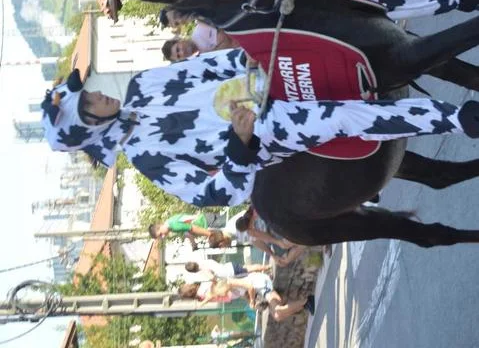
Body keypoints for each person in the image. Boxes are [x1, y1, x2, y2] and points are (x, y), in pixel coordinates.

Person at [41, 54, 479, 207]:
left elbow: (204, 66)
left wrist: (245, 55)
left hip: (260, 75)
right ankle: (456, 119)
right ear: (89, 129)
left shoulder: (142, 85)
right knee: (340, 117)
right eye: (90, 104)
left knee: (328, 14)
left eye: (90, 93)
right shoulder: (147, 159)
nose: (98, 95)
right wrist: (239, 144)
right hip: (263, 132)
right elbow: (211, 195)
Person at [184, 271, 316, 319]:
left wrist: (252, 301)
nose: (224, 296)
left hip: (261, 283)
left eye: (222, 294)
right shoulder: (230, 291)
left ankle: (306, 301)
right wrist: (251, 302)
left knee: (278, 311)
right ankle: (303, 305)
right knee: (277, 315)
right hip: (260, 290)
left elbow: (250, 287)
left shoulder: (229, 282)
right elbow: (244, 295)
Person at [149, 212, 213, 245]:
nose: (163, 236)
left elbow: (192, 228)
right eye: (160, 237)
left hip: (206, 222)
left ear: (159, 226)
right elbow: (188, 230)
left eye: (160, 234)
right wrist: (193, 243)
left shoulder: (173, 225)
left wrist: (210, 235)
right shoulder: (170, 223)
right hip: (206, 220)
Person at [185, 257, 270, 279]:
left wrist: (214, 281)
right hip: (228, 266)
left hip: (230, 272)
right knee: (248, 268)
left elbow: (212, 277)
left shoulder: (203, 269)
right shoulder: (204, 261)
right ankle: (266, 269)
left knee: (250, 271)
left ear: (193, 271)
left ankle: (267, 268)